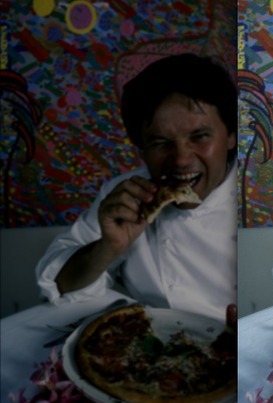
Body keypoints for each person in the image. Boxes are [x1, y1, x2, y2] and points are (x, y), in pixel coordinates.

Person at [36, 53, 238, 322]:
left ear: (232, 136)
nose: (180, 159)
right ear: (141, 147)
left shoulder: (250, 197)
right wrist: (109, 247)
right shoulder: (125, 194)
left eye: (199, 136)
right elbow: (57, 288)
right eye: (160, 142)